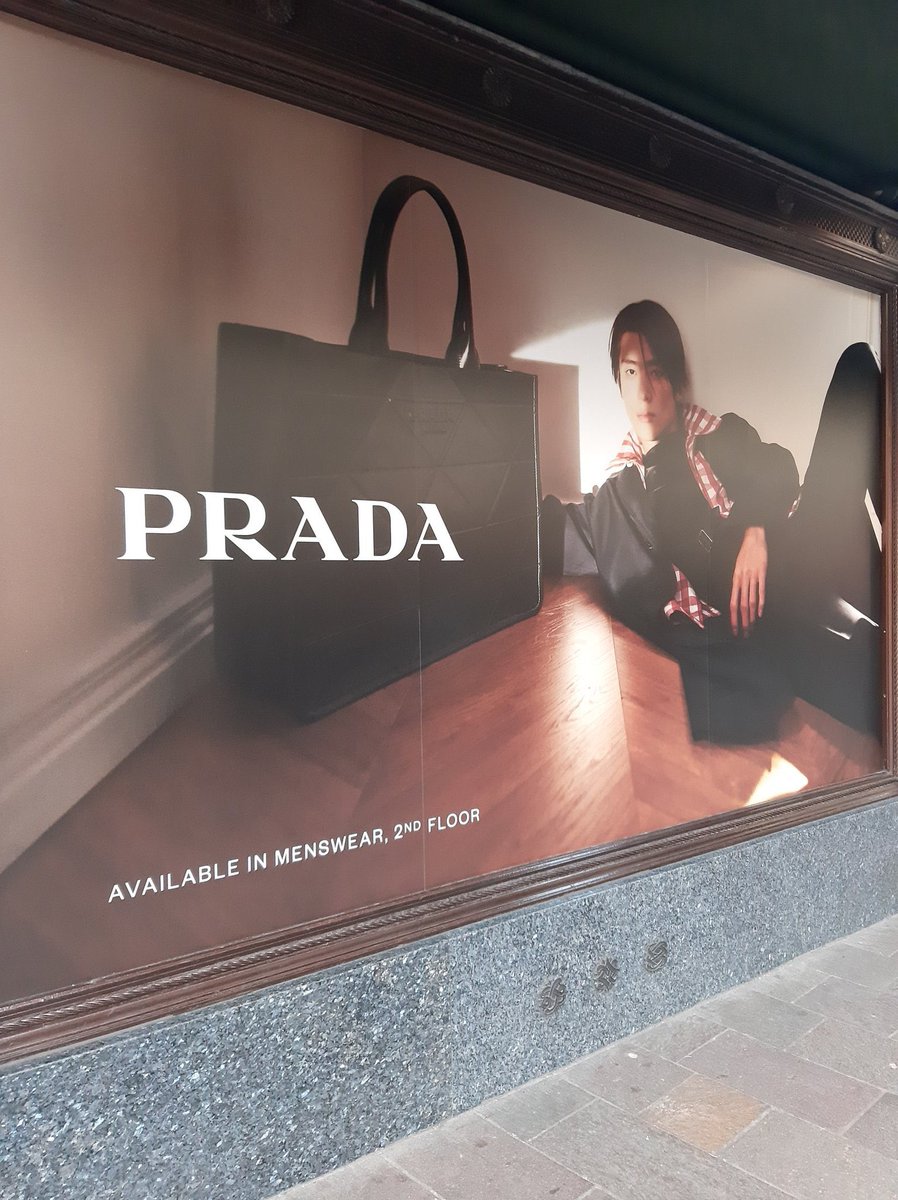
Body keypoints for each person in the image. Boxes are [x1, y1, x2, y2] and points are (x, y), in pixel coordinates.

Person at [544, 300, 882, 744]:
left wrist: (754, 530)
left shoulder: (720, 434)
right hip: (768, 624)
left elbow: (780, 466)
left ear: (676, 378)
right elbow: (541, 532)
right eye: (630, 372)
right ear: (619, 382)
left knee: (857, 365)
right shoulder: (613, 502)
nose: (644, 391)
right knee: (875, 688)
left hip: (802, 542)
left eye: (656, 371)